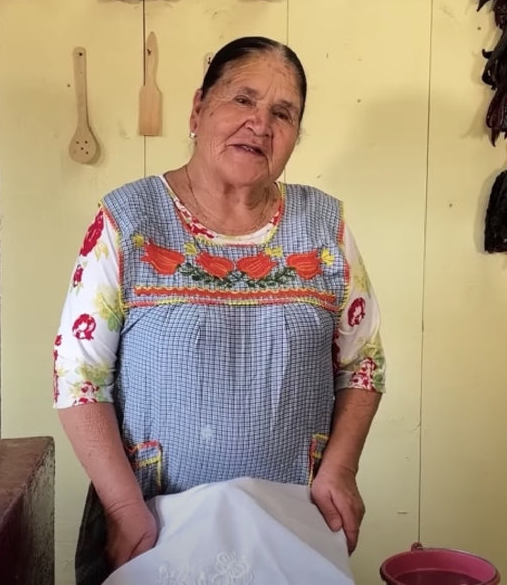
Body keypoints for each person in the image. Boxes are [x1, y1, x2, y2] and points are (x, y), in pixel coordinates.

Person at [51, 35, 387, 585]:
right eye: (242, 99)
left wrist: (341, 469)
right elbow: (78, 377)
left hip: (289, 526)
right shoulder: (129, 221)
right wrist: (120, 507)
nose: (261, 123)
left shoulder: (325, 225)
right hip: (153, 526)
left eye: (283, 112)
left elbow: (364, 363)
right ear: (198, 108)